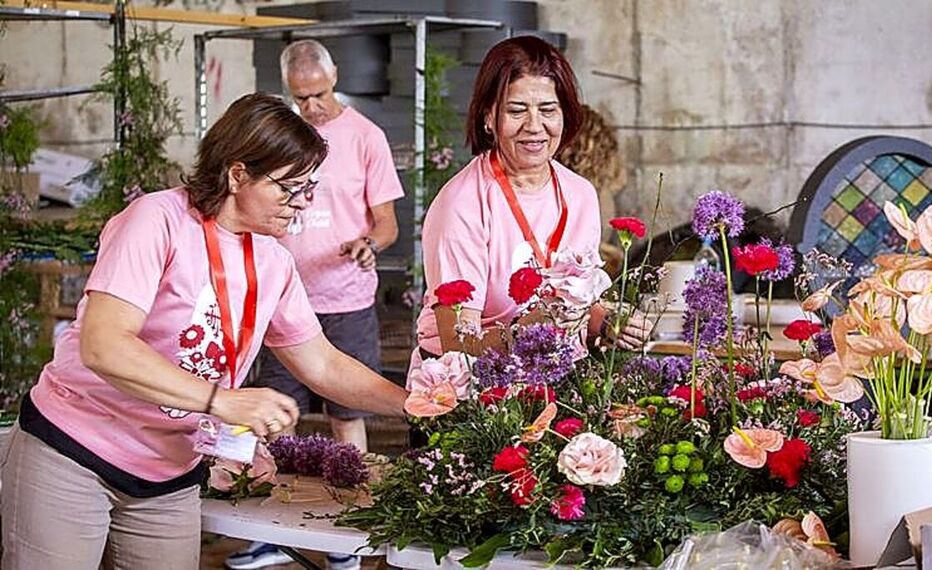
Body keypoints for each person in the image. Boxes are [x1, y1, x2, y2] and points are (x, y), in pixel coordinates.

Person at [0, 93, 408, 570]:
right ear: (238, 175)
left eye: (308, 187)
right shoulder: (157, 220)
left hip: (169, 471)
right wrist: (221, 400)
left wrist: (410, 404)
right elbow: (104, 345)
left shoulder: (274, 260)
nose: (301, 204)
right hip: (74, 452)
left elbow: (321, 362)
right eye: (288, 188)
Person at [226, 40, 403, 570]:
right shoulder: (281, 138)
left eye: (320, 95)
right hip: (279, 301)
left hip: (344, 299)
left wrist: (368, 244)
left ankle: (345, 535)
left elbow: (388, 223)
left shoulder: (366, 137)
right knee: (277, 415)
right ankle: (266, 530)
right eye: (301, 98)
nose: (313, 108)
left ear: (335, 78)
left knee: (346, 412)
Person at [415, 36, 651, 364]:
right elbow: (457, 341)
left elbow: (577, 305)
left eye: (547, 110)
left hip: (557, 377)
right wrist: (525, 331)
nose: (534, 126)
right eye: (516, 110)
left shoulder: (579, 194)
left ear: (564, 114)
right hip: (473, 388)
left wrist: (608, 323)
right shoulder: (462, 204)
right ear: (488, 116)